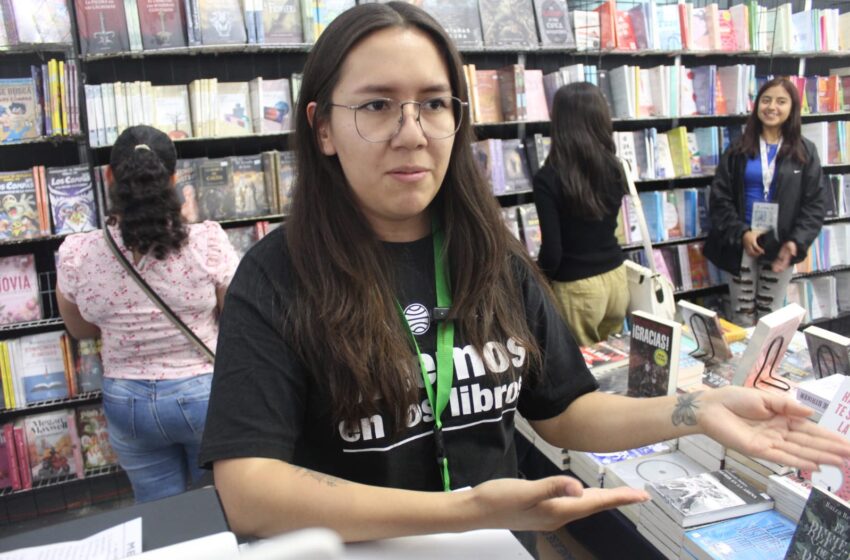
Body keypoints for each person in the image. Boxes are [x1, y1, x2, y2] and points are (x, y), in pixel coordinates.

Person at [199, 2, 850, 553]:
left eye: (433, 103)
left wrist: (696, 409)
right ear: (323, 129)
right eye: (376, 105)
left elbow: (566, 410)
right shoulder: (278, 275)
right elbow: (249, 490)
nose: (412, 133)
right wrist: (467, 509)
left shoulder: (491, 257)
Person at [56, 125, 239, 503]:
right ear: (173, 178)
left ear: (109, 176)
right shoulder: (206, 241)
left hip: (127, 402)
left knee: (159, 513)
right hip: (203, 395)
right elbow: (236, 318)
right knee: (215, 506)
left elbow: (80, 329)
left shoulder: (77, 253)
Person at [703, 77, 826, 326]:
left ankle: (763, 366)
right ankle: (742, 366)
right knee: (742, 318)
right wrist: (742, 233)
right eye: (766, 100)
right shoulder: (738, 150)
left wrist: (796, 242)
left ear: (792, 108)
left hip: (780, 245)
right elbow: (719, 197)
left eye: (781, 101)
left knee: (769, 320)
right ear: (757, 104)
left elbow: (815, 204)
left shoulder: (805, 152)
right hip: (741, 244)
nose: (772, 107)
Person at [532, 82, 628, 346]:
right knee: (614, 362)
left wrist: (538, 281)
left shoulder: (548, 178)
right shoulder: (615, 167)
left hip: (577, 288)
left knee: (583, 370)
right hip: (616, 279)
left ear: (559, 121)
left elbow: (553, 250)